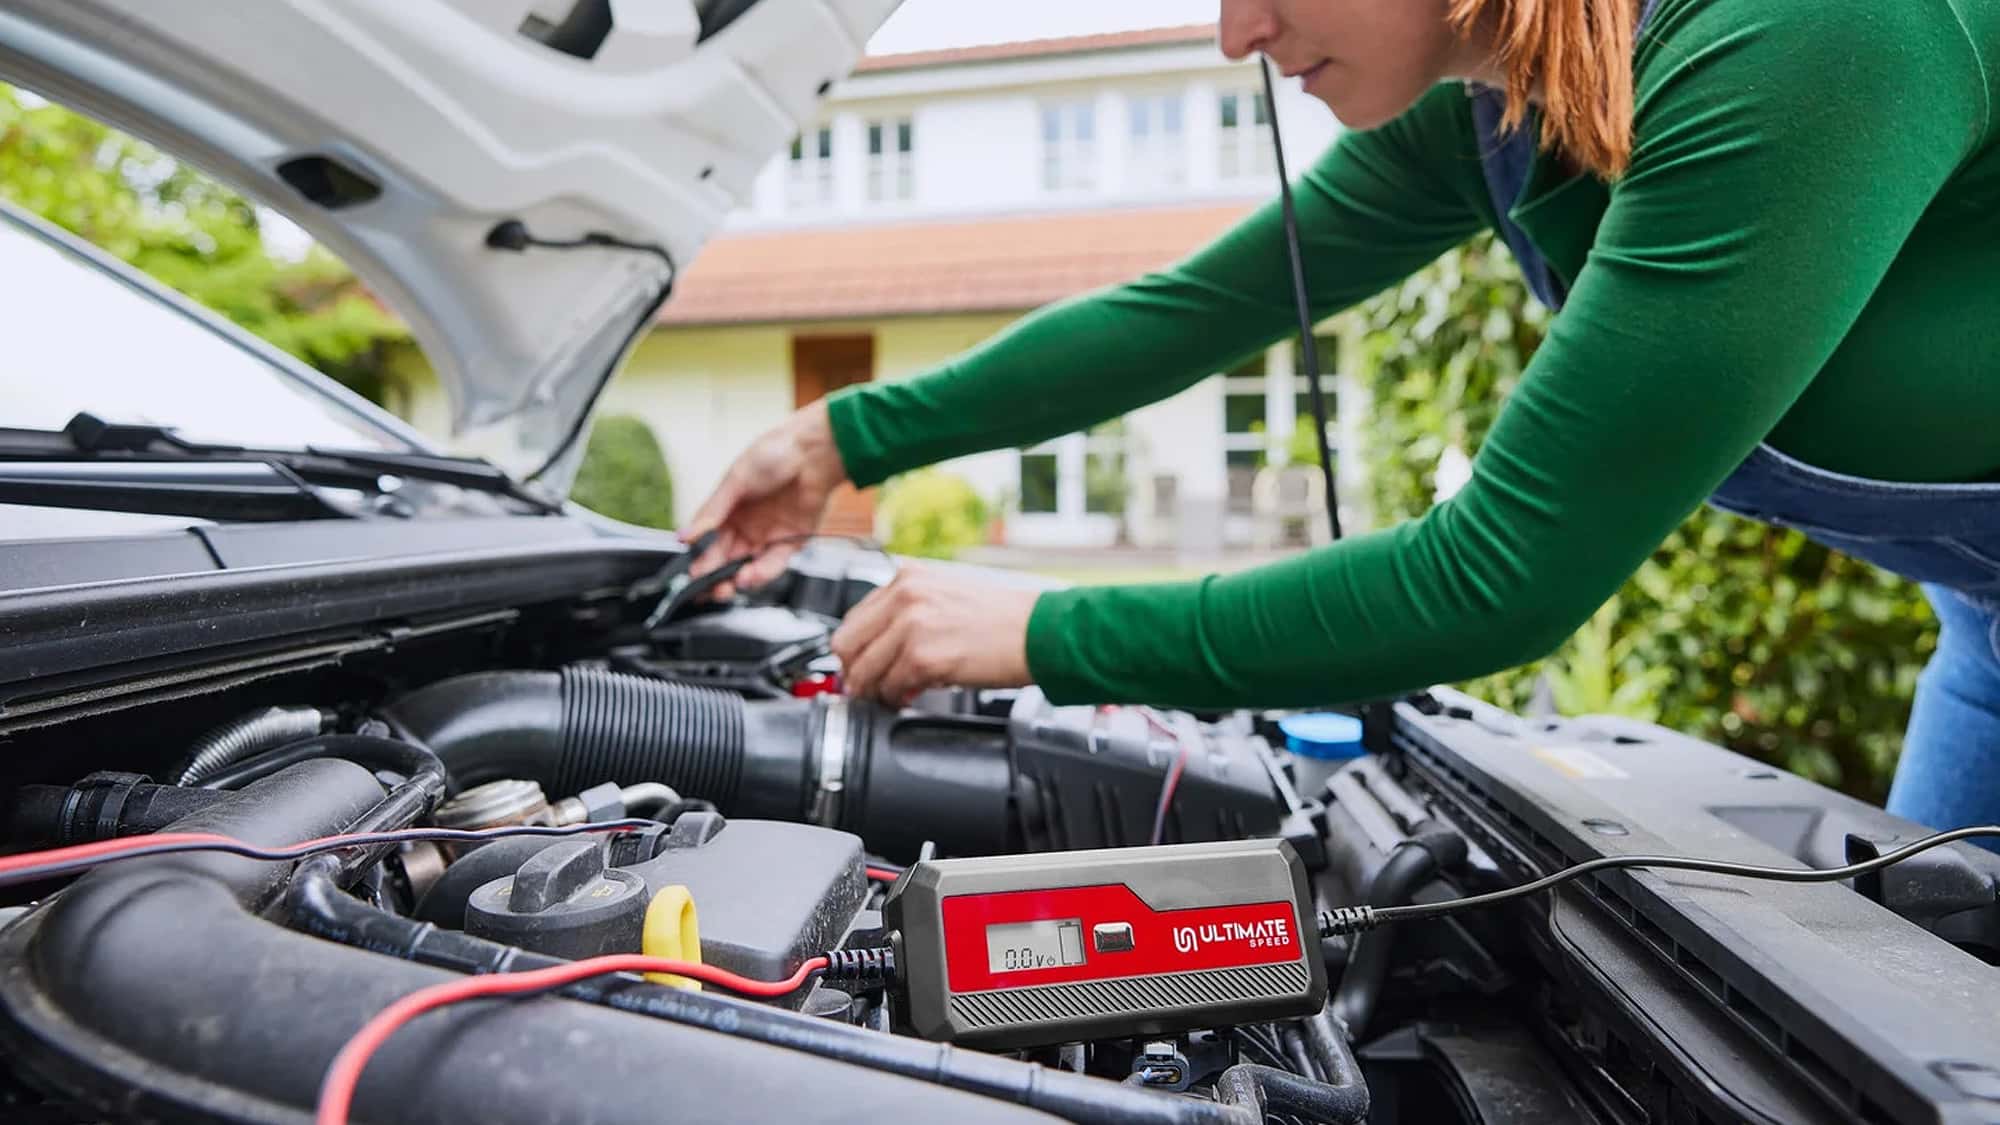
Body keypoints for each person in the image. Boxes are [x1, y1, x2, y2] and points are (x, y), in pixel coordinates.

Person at [688, 0, 2000, 842]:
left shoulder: (1811, 38)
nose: (1233, 32)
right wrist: (836, 440)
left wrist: (1041, 630)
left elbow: (1498, 577)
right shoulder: (1489, 105)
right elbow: (1190, 312)